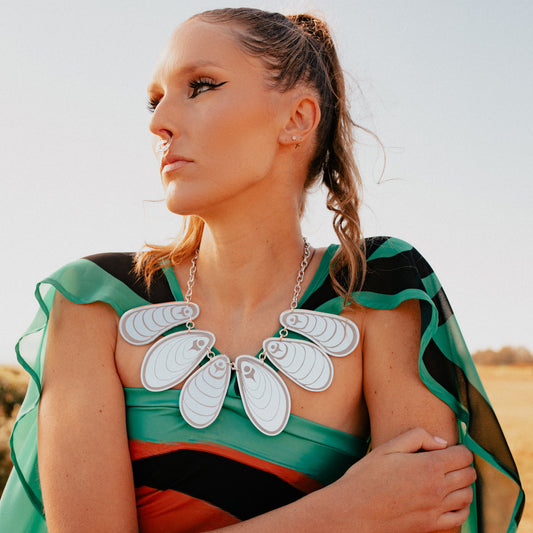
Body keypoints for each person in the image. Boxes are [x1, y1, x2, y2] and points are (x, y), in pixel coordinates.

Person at [0, 7, 523, 533]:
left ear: (297, 119)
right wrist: (348, 512)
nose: (158, 122)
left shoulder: (378, 290)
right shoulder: (95, 301)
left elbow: (426, 514)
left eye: (200, 86)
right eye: (155, 100)